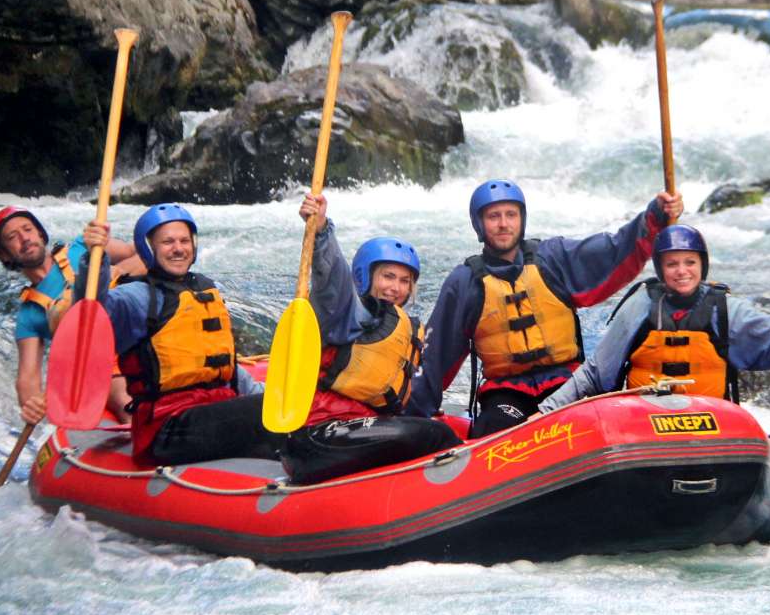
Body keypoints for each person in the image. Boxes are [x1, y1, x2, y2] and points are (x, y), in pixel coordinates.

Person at [408, 179, 684, 438]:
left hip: (568, 384)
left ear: (522, 219)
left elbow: (613, 250)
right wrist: (414, 415)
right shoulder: (464, 282)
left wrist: (654, 218)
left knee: (593, 426)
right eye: (493, 217)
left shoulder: (554, 258)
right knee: (492, 430)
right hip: (507, 395)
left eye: (511, 215)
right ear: (479, 224)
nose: (504, 224)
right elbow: (436, 356)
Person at [62, 202, 286, 465]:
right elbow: (89, 315)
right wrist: (95, 259)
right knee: (265, 412)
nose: (178, 248)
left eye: (184, 240)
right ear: (148, 248)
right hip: (168, 427)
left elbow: (224, 367)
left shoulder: (205, 290)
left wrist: (271, 393)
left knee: (283, 406)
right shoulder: (136, 298)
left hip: (214, 411)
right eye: (168, 242)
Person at [535, 224, 770, 415]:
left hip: (711, 422)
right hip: (644, 423)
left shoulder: (725, 309)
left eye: (690, 262)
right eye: (672, 264)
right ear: (660, 269)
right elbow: (596, 375)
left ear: (702, 265)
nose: (682, 271)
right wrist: (545, 412)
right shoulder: (640, 305)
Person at [279, 193, 461, 484]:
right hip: (318, 435)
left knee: (433, 427)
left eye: (404, 281)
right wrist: (322, 229)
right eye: (388, 276)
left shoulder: (405, 328)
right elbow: (331, 278)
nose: (395, 288)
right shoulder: (346, 312)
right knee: (435, 435)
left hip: (358, 430)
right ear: (366, 276)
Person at [0, 205, 140, 426]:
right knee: (124, 399)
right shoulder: (29, 314)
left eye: (28, 229)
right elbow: (27, 381)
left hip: (138, 329)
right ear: (4, 254)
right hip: (105, 363)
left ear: (40, 234)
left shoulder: (83, 246)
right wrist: (31, 405)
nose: (24, 238)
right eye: (12, 236)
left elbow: (141, 254)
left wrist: (115, 272)